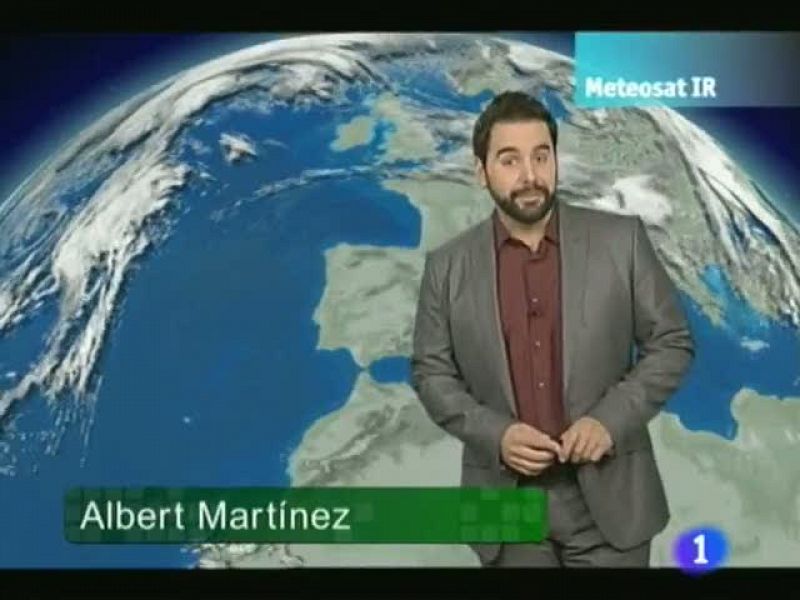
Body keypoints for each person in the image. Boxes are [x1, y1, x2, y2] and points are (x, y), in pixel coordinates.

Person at [410, 90, 695, 567]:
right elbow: (431, 373)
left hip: (611, 506)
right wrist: (496, 435)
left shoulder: (621, 242)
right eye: (510, 160)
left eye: (541, 156)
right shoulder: (446, 268)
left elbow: (671, 343)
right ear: (481, 172)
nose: (530, 175)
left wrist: (609, 420)